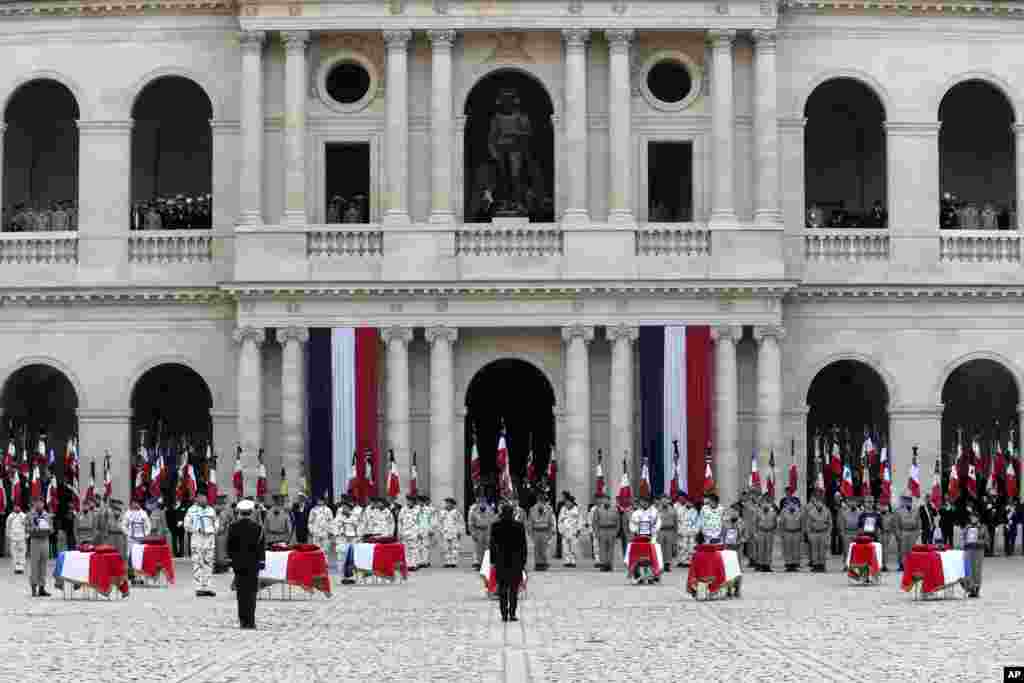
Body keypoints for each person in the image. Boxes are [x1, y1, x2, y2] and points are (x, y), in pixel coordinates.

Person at [228, 499, 266, 629]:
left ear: (240, 512)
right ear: (251, 512)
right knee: (251, 593)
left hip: (238, 565)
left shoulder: (233, 527)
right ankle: (251, 621)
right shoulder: (258, 528)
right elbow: (261, 547)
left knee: (241, 594)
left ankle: (242, 620)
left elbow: (229, 547)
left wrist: (232, 561)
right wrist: (262, 562)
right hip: (252, 565)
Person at [488, 504, 527, 623]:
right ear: (513, 513)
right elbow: (523, 546)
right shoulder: (519, 526)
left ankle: (504, 613)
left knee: (503, 589)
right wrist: (523, 561)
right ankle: (512, 613)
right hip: (515, 562)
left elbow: (492, 545)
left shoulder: (496, 526)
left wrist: (492, 561)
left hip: (501, 561)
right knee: (514, 590)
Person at [183, 495, 218, 597]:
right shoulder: (191, 510)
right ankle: (198, 588)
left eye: (205, 499)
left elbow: (216, 523)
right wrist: (196, 529)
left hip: (209, 541)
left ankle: (207, 587)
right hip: (197, 540)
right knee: (197, 563)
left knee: (209, 563)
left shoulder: (211, 510)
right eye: (202, 498)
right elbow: (186, 525)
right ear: (197, 499)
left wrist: (212, 530)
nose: (204, 500)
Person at [27, 498, 54, 597]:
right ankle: (34, 587)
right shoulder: (30, 515)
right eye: (37, 503)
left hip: (45, 541)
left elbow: (52, 529)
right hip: (35, 541)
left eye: (41, 503)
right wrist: (34, 529)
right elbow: (26, 528)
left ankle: (42, 587)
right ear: (35, 504)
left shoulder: (47, 515)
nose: (39, 505)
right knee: (34, 565)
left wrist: (48, 529)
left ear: (43, 504)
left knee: (43, 565)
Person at [122, 499, 151, 585]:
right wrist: (128, 533)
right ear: (131, 504)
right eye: (133, 503)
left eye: (137, 503)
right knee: (131, 558)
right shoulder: (128, 513)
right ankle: (132, 576)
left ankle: (141, 576)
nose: (135, 505)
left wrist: (145, 534)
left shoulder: (143, 513)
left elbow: (148, 525)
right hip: (131, 539)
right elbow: (123, 525)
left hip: (141, 539)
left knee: (141, 558)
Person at [803, 490, 832, 572]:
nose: (819, 503)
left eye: (820, 502)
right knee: (814, 550)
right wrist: (809, 534)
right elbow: (808, 524)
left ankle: (822, 565)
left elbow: (830, 523)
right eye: (817, 502)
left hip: (823, 533)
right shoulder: (811, 512)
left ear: (822, 503)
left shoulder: (827, 511)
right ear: (815, 503)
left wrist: (828, 533)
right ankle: (815, 565)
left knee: (822, 550)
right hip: (814, 533)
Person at [962, 507, 987, 598]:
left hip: (979, 551)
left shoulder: (983, 527)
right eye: (972, 517)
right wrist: (966, 538)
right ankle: (970, 588)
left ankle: (976, 588)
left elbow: (987, 540)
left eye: (975, 517)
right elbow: (964, 538)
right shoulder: (967, 527)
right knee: (969, 570)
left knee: (977, 570)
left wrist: (978, 541)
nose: (973, 519)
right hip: (969, 550)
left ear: (978, 518)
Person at [592, 493, 619, 572]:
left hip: (612, 530)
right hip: (602, 530)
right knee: (602, 549)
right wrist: (596, 532)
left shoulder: (615, 509)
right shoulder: (598, 509)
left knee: (611, 549)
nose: (606, 501)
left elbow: (618, 522)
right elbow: (595, 522)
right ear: (603, 500)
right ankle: (603, 564)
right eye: (604, 499)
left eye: (607, 499)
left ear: (610, 500)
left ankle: (609, 564)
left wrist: (616, 532)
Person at [527, 495, 555, 571]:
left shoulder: (549, 509)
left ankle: (544, 563)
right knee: (537, 548)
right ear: (537, 501)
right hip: (536, 530)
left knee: (544, 549)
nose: (541, 503)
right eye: (539, 501)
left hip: (545, 531)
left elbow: (551, 521)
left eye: (542, 501)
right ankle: (537, 564)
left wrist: (551, 532)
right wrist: (530, 532)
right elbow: (530, 522)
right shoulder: (532, 509)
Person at [468, 494, 494, 569]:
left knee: (487, 548)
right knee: (477, 548)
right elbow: (470, 522)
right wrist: (472, 532)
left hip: (487, 530)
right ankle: (478, 563)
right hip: (478, 530)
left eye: (483, 501)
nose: (482, 502)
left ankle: (486, 563)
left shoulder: (490, 509)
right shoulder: (473, 510)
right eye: (480, 501)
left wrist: (491, 532)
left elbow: (492, 521)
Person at [779, 496, 803, 572]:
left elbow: (803, 523)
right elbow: (781, 523)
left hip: (797, 532)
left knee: (796, 549)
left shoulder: (799, 511)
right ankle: (788, 564)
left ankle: (795, 564)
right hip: (787, 532)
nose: (791, 504)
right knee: (787, 549)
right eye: (790, 502)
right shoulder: (783, 511)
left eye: (793, 502)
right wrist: (781, 533)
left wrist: (802, 533)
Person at [896, 495, 919, 572]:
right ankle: (903, 565)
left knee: (911, 550)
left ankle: (911, 565)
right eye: (906, 501)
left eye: (909, 501)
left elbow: (919, 523)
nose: (908, 502)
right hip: (904, 532)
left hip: (913, 532)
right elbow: (897, 525)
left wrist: (917, 534)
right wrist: (899, 535)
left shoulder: (916, 510)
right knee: (903, 550)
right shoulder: (899, 511)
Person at [755, 493, 777, 572]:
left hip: (769, 532)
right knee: (761, 549)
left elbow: (775, 522)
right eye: (764, 501)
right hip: (761, 532)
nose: (766, 504)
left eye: (768, 502)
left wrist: (773, 529)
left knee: (768, 549)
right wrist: (756, 533)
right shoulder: (758, 511)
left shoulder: (773, 511)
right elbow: (755, 522)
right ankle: (760, 564)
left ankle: (767, 565)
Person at [438, 498, 463, 568]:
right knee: (446, 548)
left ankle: (453, 562)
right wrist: (441, 531)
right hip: (445, 532)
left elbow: (460, 522)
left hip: (454, 532)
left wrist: (460, 531)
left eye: (449, 503)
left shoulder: (457, 512)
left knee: (454, 547)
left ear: (452, 504)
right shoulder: (442, 512)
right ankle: (447, 562)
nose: (447, 504)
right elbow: (439, 522)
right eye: (446, 503)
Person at [557, 495, 581, 568]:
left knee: (573, 546)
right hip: (565, 530)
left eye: (568, 502)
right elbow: (560, 520)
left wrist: (579, 529)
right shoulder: (563, 509)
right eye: (566, 502)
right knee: (565, 546)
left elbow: (580, 520)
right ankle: (567, 561)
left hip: (573, 530)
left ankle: (573, 561)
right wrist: (560, 530)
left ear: (572, 502)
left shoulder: (577, 509)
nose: (567, 503)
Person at [677, 495, 701, 567]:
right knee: (682, 546)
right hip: (683, 530)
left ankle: (691, 561)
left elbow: (698, 522)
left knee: (691, 546)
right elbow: (677, 521)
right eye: (688, 502)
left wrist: (696, 531)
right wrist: (679, 530)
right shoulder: (680, 509)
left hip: (692, 531)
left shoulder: (695, 511)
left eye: (691, 502)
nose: (689, 503)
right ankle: (682, 561)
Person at [656, 497, 677, 572]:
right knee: (660, 548)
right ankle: (660, 564)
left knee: (668, 548)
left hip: (670, 530)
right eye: (663, 500)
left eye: (666, 500)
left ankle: (667, 565)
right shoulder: (657, 510)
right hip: (660, 531)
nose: (664, 502)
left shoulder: (673, 510)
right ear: (661, 501)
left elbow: (675, 522)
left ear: (668, 501)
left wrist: (675, 532)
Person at [214, 496, 234, 573]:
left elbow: (227, 523)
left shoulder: (225, 513)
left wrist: (224, 527)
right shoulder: (218, 513)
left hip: (222, 535)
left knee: (222, 553)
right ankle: (219, 567)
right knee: (218, 553)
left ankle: (222, 568)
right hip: (218, 535)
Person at [6, 504, 27, 574]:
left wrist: (27, 535)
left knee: (21, 553)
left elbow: (27, 525)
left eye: (18, 507)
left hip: (22, 537)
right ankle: (15, 568)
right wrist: (8, 536)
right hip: (13, 537)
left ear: (20, 507)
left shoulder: (24, 516)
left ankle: (21, 568)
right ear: (13, 508)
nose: (17, 508)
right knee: (14, 553)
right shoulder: (10, 516)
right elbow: (8, 526)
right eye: (15, 507)